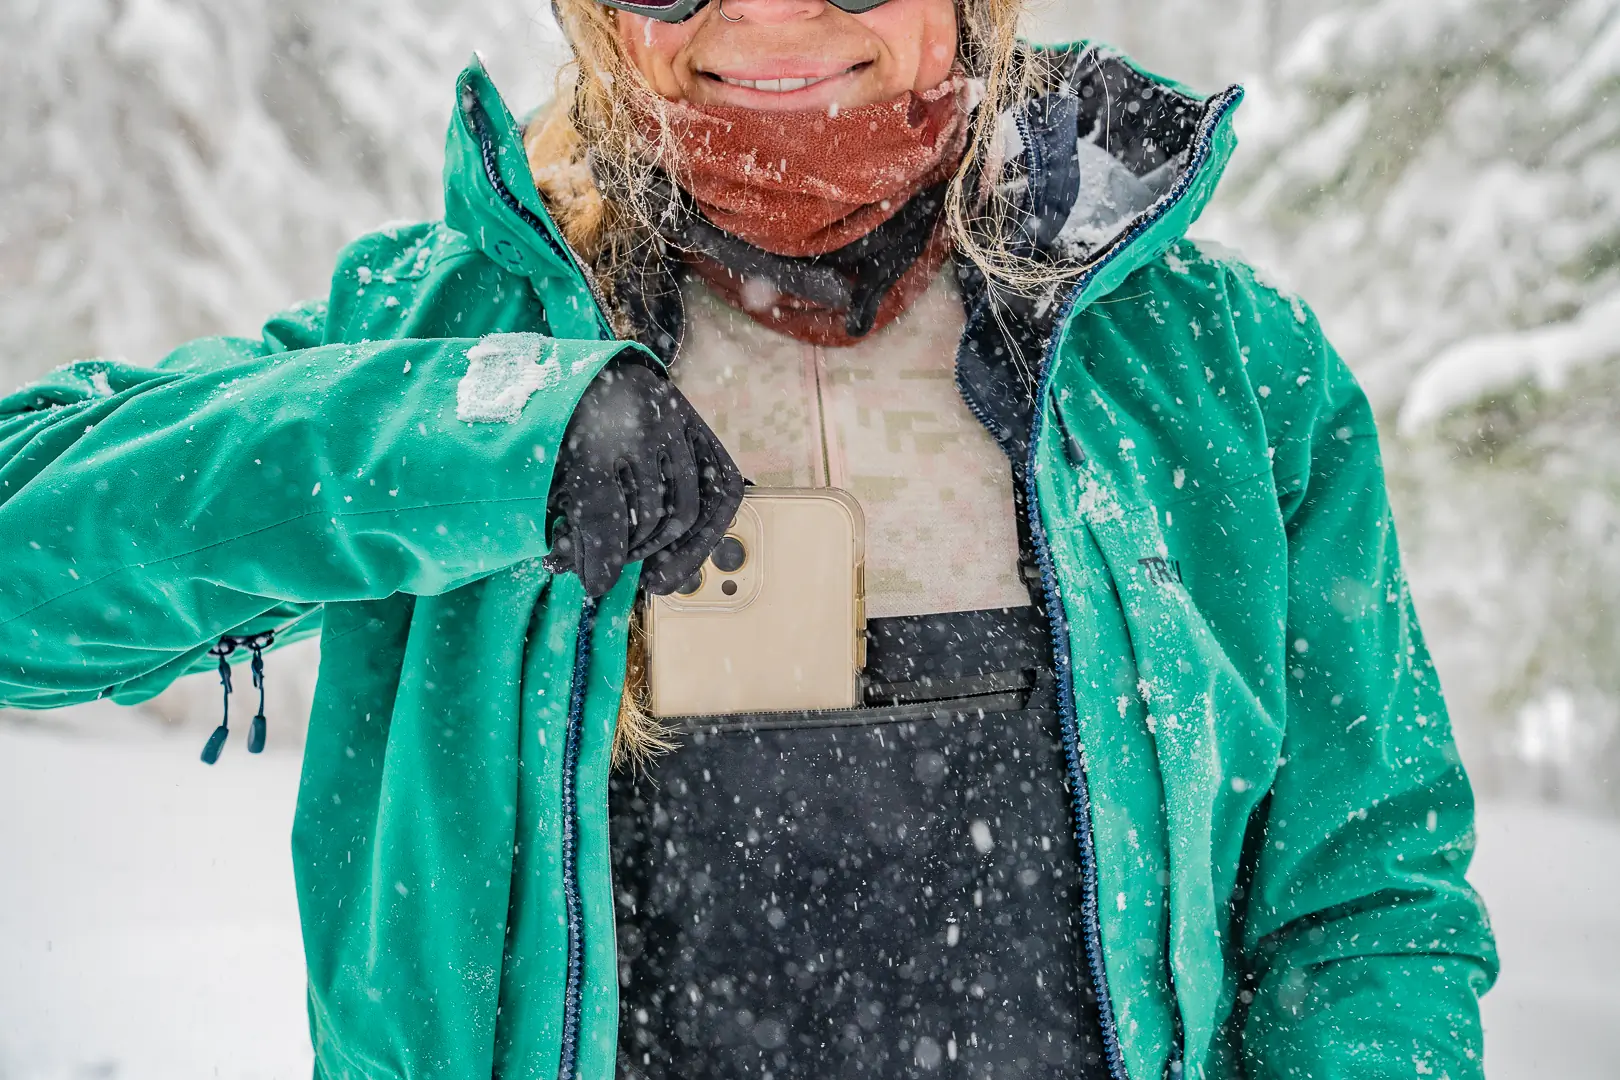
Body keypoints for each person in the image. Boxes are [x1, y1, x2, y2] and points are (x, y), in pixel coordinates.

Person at [0, 0, 1498, 1076]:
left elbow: (1365, 903)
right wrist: (478, 434)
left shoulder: (1216, 378)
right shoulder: (447, 332)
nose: (770, 21)